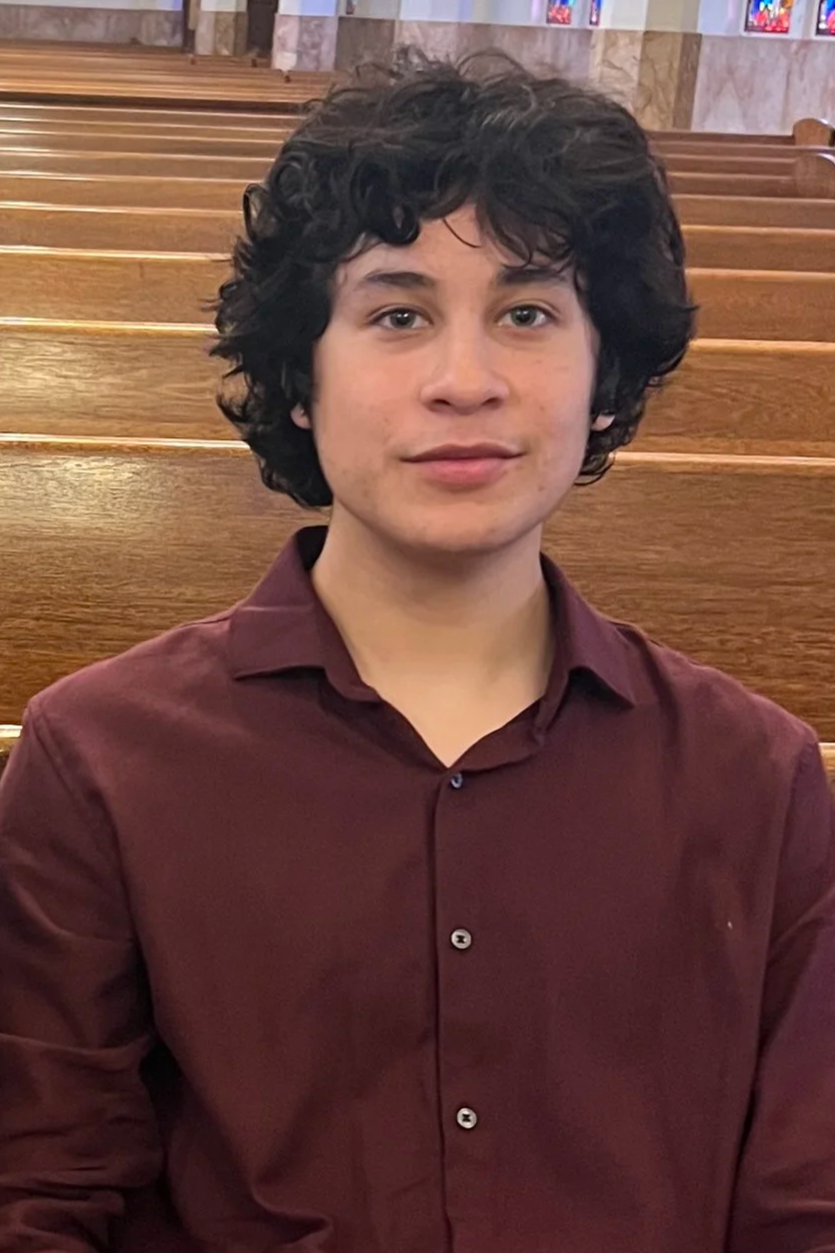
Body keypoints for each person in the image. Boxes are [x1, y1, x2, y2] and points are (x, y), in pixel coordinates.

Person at [1, 47, 833, 1253]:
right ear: (299, 377)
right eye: (398, 314)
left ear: (604, 380)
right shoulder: (103, 760)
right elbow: (40, 1187)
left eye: (527, 313)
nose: (464, 381)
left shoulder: (753, 778)